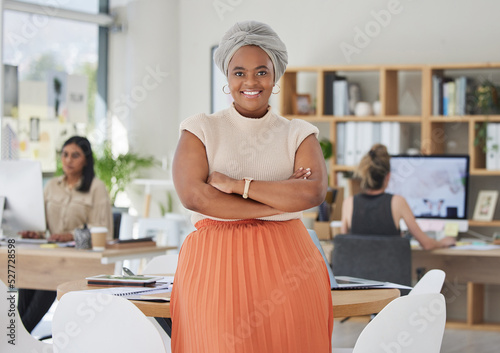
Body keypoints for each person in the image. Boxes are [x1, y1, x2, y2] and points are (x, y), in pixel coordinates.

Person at [171, 21, 333, 353]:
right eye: (239, 72)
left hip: (291, 266)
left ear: (275, 76)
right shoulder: (200, 129)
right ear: (227, 77)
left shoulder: (298, 133)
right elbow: (194, 196)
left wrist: (235, 185)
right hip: (214, 267)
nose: (250, 82)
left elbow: (312, 191)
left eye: (261, 72)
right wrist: (280, 200)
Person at [18, 135, 113, 333]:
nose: (68, 160)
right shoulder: (52, 186)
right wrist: (35, 232)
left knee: (46, 279)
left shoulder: (96, 188)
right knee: (26, 275)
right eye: (65, 154)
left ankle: (16, 338)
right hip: (48, 254)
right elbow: (42, 224)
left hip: (76, 260)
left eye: (75, 155)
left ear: (86, 160)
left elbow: (104, 230)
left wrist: (70, 235)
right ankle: (17, 338)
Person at [340, 143, 456, 250]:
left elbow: (343, 245)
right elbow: (426, 244)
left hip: (355, 272)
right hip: (390, 271)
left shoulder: (348, 203)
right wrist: (442, 242)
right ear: (388, 176)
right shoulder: (397, 202)